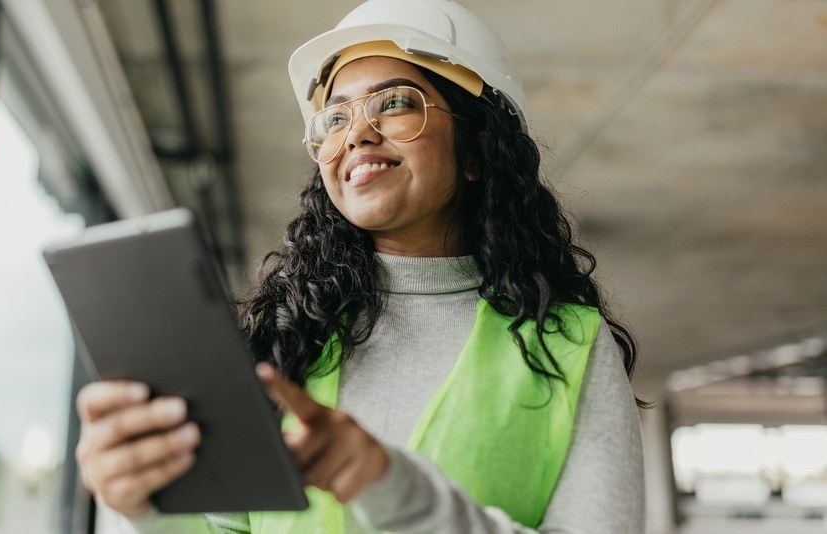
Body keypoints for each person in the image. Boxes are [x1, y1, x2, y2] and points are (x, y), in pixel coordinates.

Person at [74, 0, 646, 532]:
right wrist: (145, 504)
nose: (358, 135)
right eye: (335, 119)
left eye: (394, 102)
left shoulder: (570, 347)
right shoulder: (281, 339)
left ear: (477, 150)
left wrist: (396, 490)